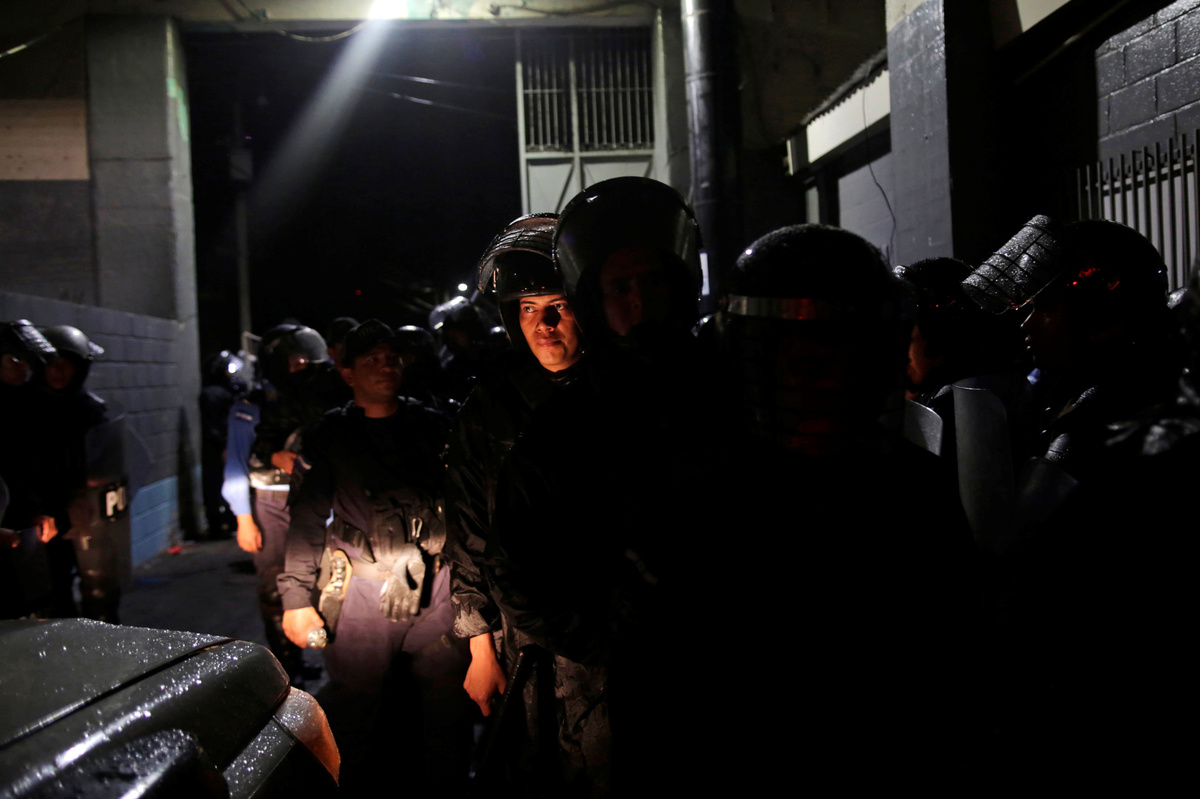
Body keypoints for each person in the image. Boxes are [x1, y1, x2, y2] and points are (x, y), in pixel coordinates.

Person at [717, 225, 981, 789]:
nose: (833, 386)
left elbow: (960, 655)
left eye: (851, 364)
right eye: (808, 367)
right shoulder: (713, 496)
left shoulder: (915, 487)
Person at [484, 178, 714, 795]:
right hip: (632, 689)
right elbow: (511, 563)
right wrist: (607, 641)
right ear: (594, 297)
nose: (639, 302)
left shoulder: (734, 393)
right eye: (619, 286)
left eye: (653, 281)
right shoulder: (564, 427)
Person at [278, 320, 470, 794]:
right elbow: (307, 518)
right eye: (372, 360)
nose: (386, 367)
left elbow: (466, 509)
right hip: (362, 591)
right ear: (348, 373)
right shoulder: (332, 434)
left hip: (435, 587)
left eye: (392, 358)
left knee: (444, 704)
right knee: (358, 705)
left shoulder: (434, 427)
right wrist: (295, 598)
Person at [443, 213, 586, 787]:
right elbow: (467, 530)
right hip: (516, 637)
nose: (544, 324)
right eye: (528, 308)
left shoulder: (623, 395)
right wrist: (480, 648)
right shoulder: (490, 408)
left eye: (558, 305)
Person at [232, 324, 346, 682]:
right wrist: (244, 515)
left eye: (304, 361)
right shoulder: (262, 403)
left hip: (325, 499)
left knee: (329, 582)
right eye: (292, 362)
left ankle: (328, 663)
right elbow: (246, 458)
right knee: (274, 586)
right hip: (274, 500)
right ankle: (286, 671)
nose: (300, 367)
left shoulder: (336, 394)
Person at [32, 325, 111, 620]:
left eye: (67, 365)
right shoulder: (24, 405)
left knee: (99, 586)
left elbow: (105, 459)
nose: (59, 372)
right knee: (51, 587)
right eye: (52, 364)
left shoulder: (90, 409)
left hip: (83, 506)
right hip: (40, 508)